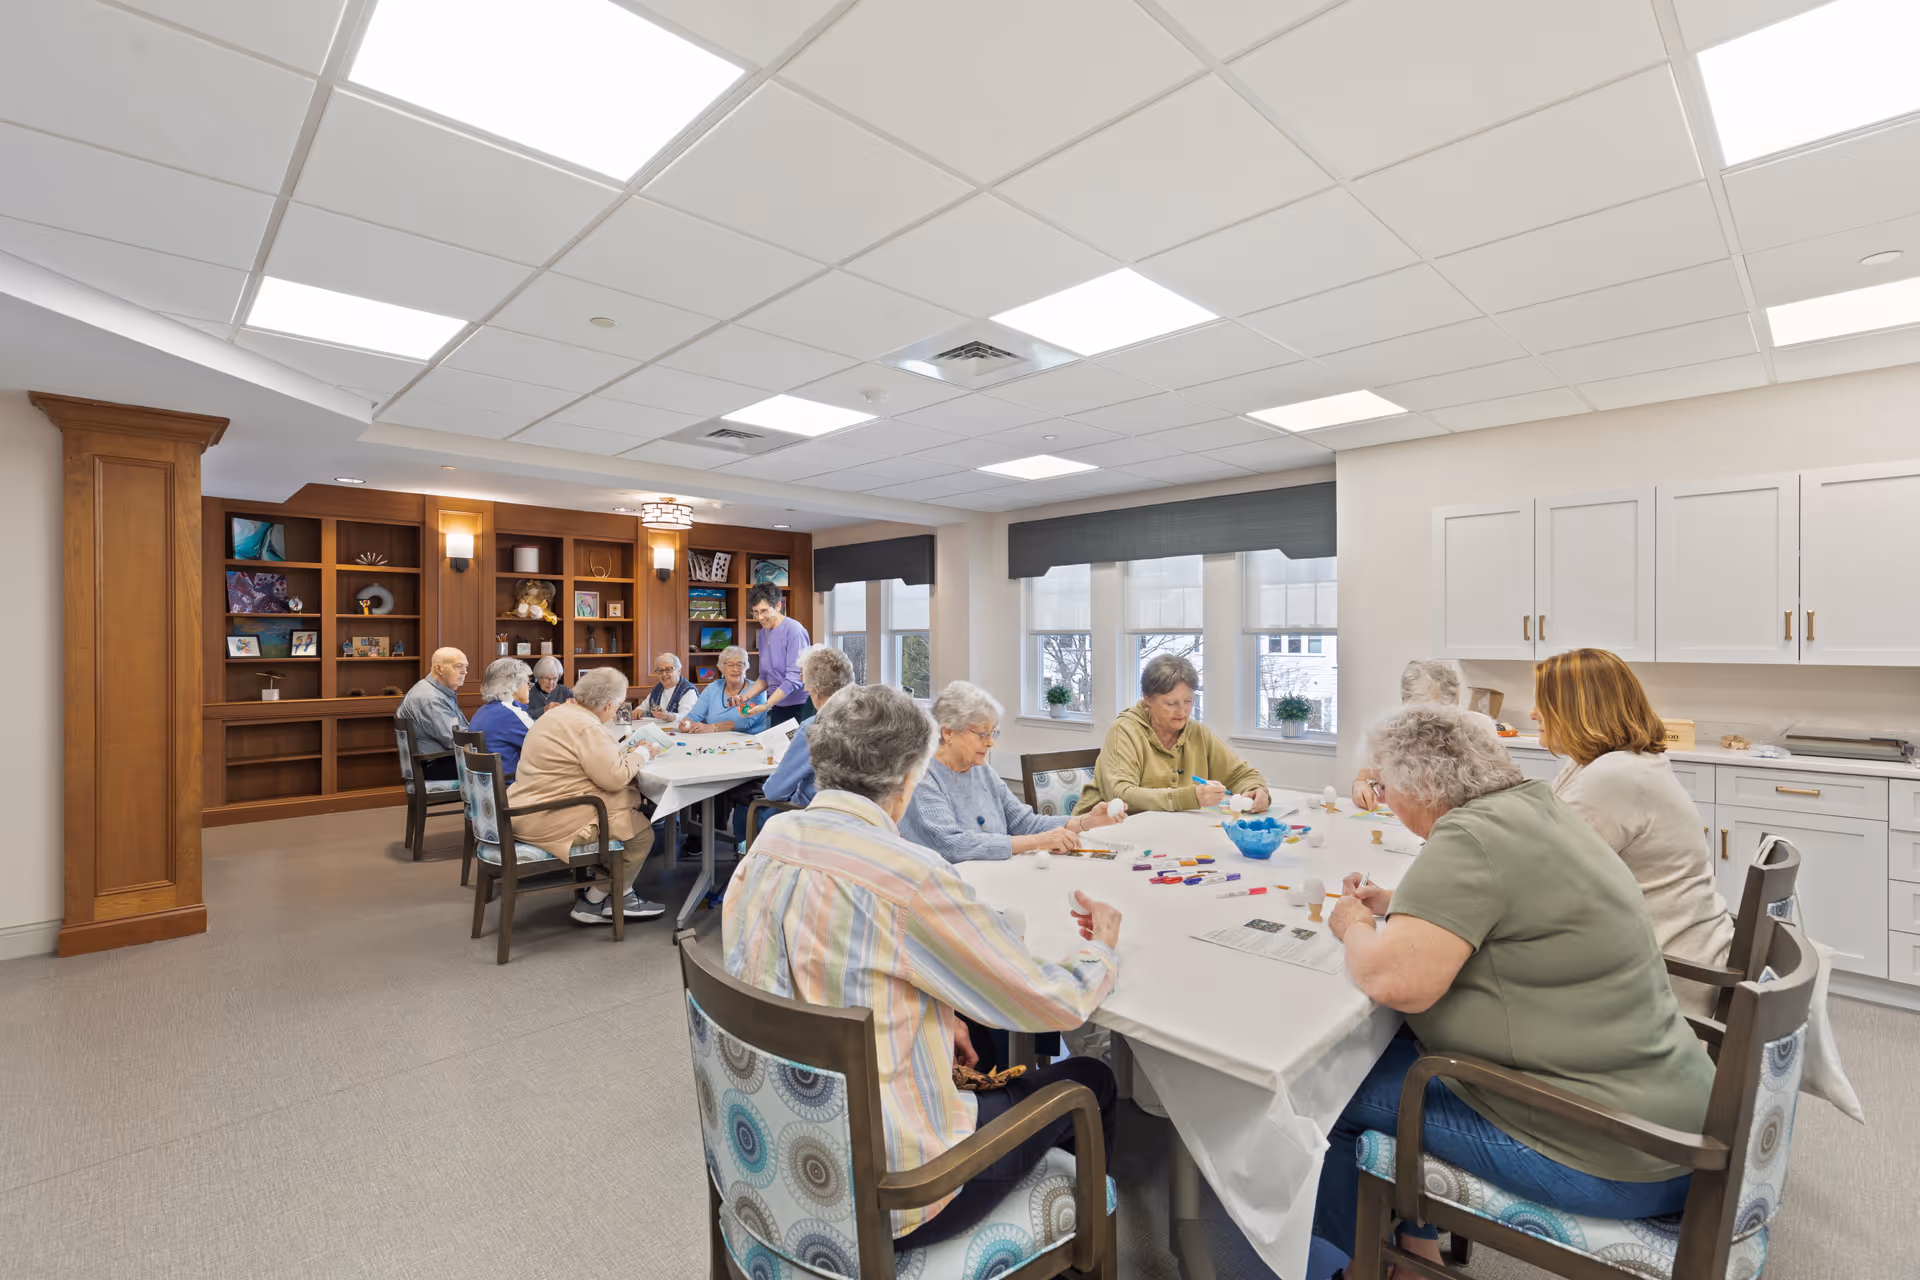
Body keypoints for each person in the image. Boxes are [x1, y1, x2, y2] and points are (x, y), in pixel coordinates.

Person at [1312, 703, 1717, 1270]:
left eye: (1383, 785)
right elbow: (1515, 906)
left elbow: (1391, 979)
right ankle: (1416, 1252)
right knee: (1396, 1053)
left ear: (1423, 787)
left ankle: (1352, 1264)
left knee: (1328, 1089)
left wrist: (1354, 924)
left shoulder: (1469, 838)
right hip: (1675, 1121)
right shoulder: (1535, 807)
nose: (1383, 799)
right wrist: (1405, 905)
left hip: (1613, 1152)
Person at [724, 684, 1123, 1247]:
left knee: (976, 1045)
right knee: (1092, 1080)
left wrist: (942, 1014)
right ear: (912, 774)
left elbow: (815, 971)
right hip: (897, 1192)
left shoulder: (769, 840)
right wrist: (1099, 947)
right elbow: (1054, 1003)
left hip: (772, 1156)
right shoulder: (910, 876)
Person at [1532, 648, 1735, 1018]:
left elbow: (1539, 879)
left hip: (1661, 981)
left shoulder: (1612, 776)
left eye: (1543, 704)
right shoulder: (1606, 764)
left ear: (1578, 709)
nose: (1533, 714)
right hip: (1671, 950)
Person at [508, 667, 666, 926]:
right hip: (550, 816)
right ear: (606, 704)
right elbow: (614, 778)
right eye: (618, 704)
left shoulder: (561, 713)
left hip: (527, 806)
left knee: (625, 810)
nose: (617, 709)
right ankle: (598, 900)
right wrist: (643, 754)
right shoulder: (586, 725)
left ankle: (615, 894)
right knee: (639, 831)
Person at [903, 680, 1126, 863]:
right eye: (982, 734)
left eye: (993, 732)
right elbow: (952, 846)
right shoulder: (922, 776)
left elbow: (1023, 822)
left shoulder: (982, 771)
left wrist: (1084, 822)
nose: (990, 742)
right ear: (949, 732)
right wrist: (1036, 842)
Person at [1073, 653, 1269, 816]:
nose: (1182, 712)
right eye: (1171, 703)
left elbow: (1240, 775)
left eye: (1188, 701)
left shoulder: (1197, 733)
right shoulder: (1124, 731)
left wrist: (1256, 790)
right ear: (1147, 699)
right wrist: (1190, 797)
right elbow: (1121, 795)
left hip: (1162, 831)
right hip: (1099, 831)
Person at [1351, 658, 1466, 808]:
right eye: (1418, 714)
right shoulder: (1389, 733)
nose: (1427, 724)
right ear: (1404, 703)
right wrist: (1360, 786)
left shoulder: (1470, 736)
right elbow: (1363, 778)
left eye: (1435, 714)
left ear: (1454, 703)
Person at [762, 645, 855, 807]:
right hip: (859, 814)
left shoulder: (814, 727)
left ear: (816, 690)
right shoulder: (869, 717)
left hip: (814, 813)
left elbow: (774, 792)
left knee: (748, 812)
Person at [732, 583, 811, 726]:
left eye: (764, 611)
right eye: (755, 612)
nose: (760, 617)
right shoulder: (763, 634)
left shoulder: (794, 631)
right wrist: (745, 697)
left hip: (799, 708)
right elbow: (764, 677)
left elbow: (794, 679)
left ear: (778, 606)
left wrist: (766, 705)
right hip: (777, 705)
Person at [398, 647, 470, 779]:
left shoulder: (437, 691)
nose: (465, 671)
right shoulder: (431, 699)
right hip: (435, 765)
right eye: (458, 666)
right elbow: (454, 740)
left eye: (466, 666)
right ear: (438, 669)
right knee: (499, 763)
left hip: (441, 760)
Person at [678, 646, 768, 735]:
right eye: (730, 665)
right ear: (722, 668)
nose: (735, 669)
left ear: (746, 667)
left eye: (739, 664)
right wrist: (686, 723)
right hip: (715, 741)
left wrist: (714, 727)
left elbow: (746, 722)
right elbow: (694, 716)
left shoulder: (757, 689)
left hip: (749, 741)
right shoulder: (712, 688)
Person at [469, 657, 534, 777]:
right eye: (527, 682)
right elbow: (546, 745)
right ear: (513, 685)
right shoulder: (510, 713)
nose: (529, 687)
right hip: (511, 785)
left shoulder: (483, 711)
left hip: (487, 786)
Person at [642, 653, 700, 721]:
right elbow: (644, 707)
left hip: (678, 730)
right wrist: (640, 711)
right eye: (660, 671)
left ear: (678, 671)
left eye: (668, 669)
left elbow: (686, 717)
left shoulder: (688, 691)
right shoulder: (658, 688)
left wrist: (668, 716)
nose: (664, 674)